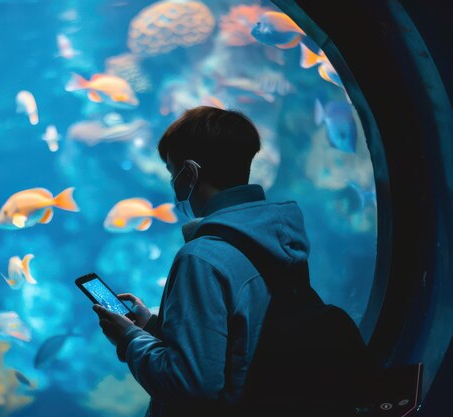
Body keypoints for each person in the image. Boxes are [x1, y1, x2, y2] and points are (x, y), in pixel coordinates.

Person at [92, 106, 368, 417]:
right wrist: (152, 327)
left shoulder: (202, 258)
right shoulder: (277, 235)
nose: (173, 186)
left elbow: (192, 384)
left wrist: (129, 339)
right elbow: (243, 341)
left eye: (173, 173)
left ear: (189, 175)